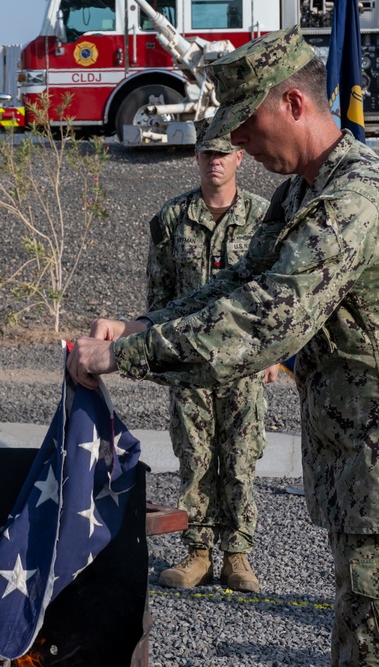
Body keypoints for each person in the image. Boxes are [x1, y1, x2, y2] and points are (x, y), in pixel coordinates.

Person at [67, 26, 379, 666]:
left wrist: (124, 358)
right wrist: (139, 327)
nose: (236, 143)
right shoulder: (301, 193)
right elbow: (238, 282)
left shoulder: (354, 200)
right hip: (372, 487)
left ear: (292, 103)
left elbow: (262, 325)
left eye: (246, 124)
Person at [147, 121, 274, 593]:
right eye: (206, 153)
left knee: (240, 458)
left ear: (240, 157)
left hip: (242, 362)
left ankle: (237, 557)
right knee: (195, 458)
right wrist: (159, 354)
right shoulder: (172, 218)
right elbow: (159, 295)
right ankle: (198, 553)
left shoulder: (264, 217)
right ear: (196, 158)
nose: (215, 161)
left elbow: (275, 294)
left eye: (224, 153)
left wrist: (272, 355)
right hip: (191, 364)